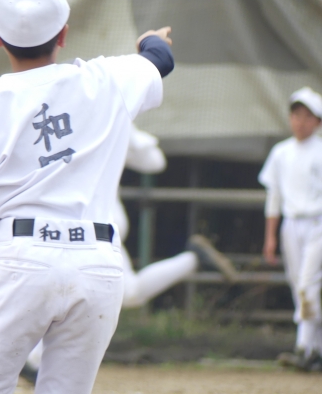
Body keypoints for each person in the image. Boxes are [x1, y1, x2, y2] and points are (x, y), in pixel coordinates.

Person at [0, 0, 173, 393]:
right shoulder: (108, 79)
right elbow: (161, 60)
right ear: (63, 33)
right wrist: (150, 40)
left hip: (23, 263)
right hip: (97, 266)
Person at [21, 125, 239, 381]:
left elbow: (155, 162)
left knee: (67, 290)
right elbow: (154, 161)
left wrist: (124, 130)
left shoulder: (100, 117)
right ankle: (192, 259)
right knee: (127, 292)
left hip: (86, 226)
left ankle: (33, 360)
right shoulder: (86, 119)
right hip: (84, 224)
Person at [258, 86, 322, 372]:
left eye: (307, 116)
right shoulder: (281, 152)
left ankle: (303, 347)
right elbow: (274, 197)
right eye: (296, 115)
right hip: (291, 224)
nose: (300, 122)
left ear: (317, 121)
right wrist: (270, 237)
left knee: (308, 284)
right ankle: (315, 349)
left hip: (318, 223)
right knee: (299, 284)